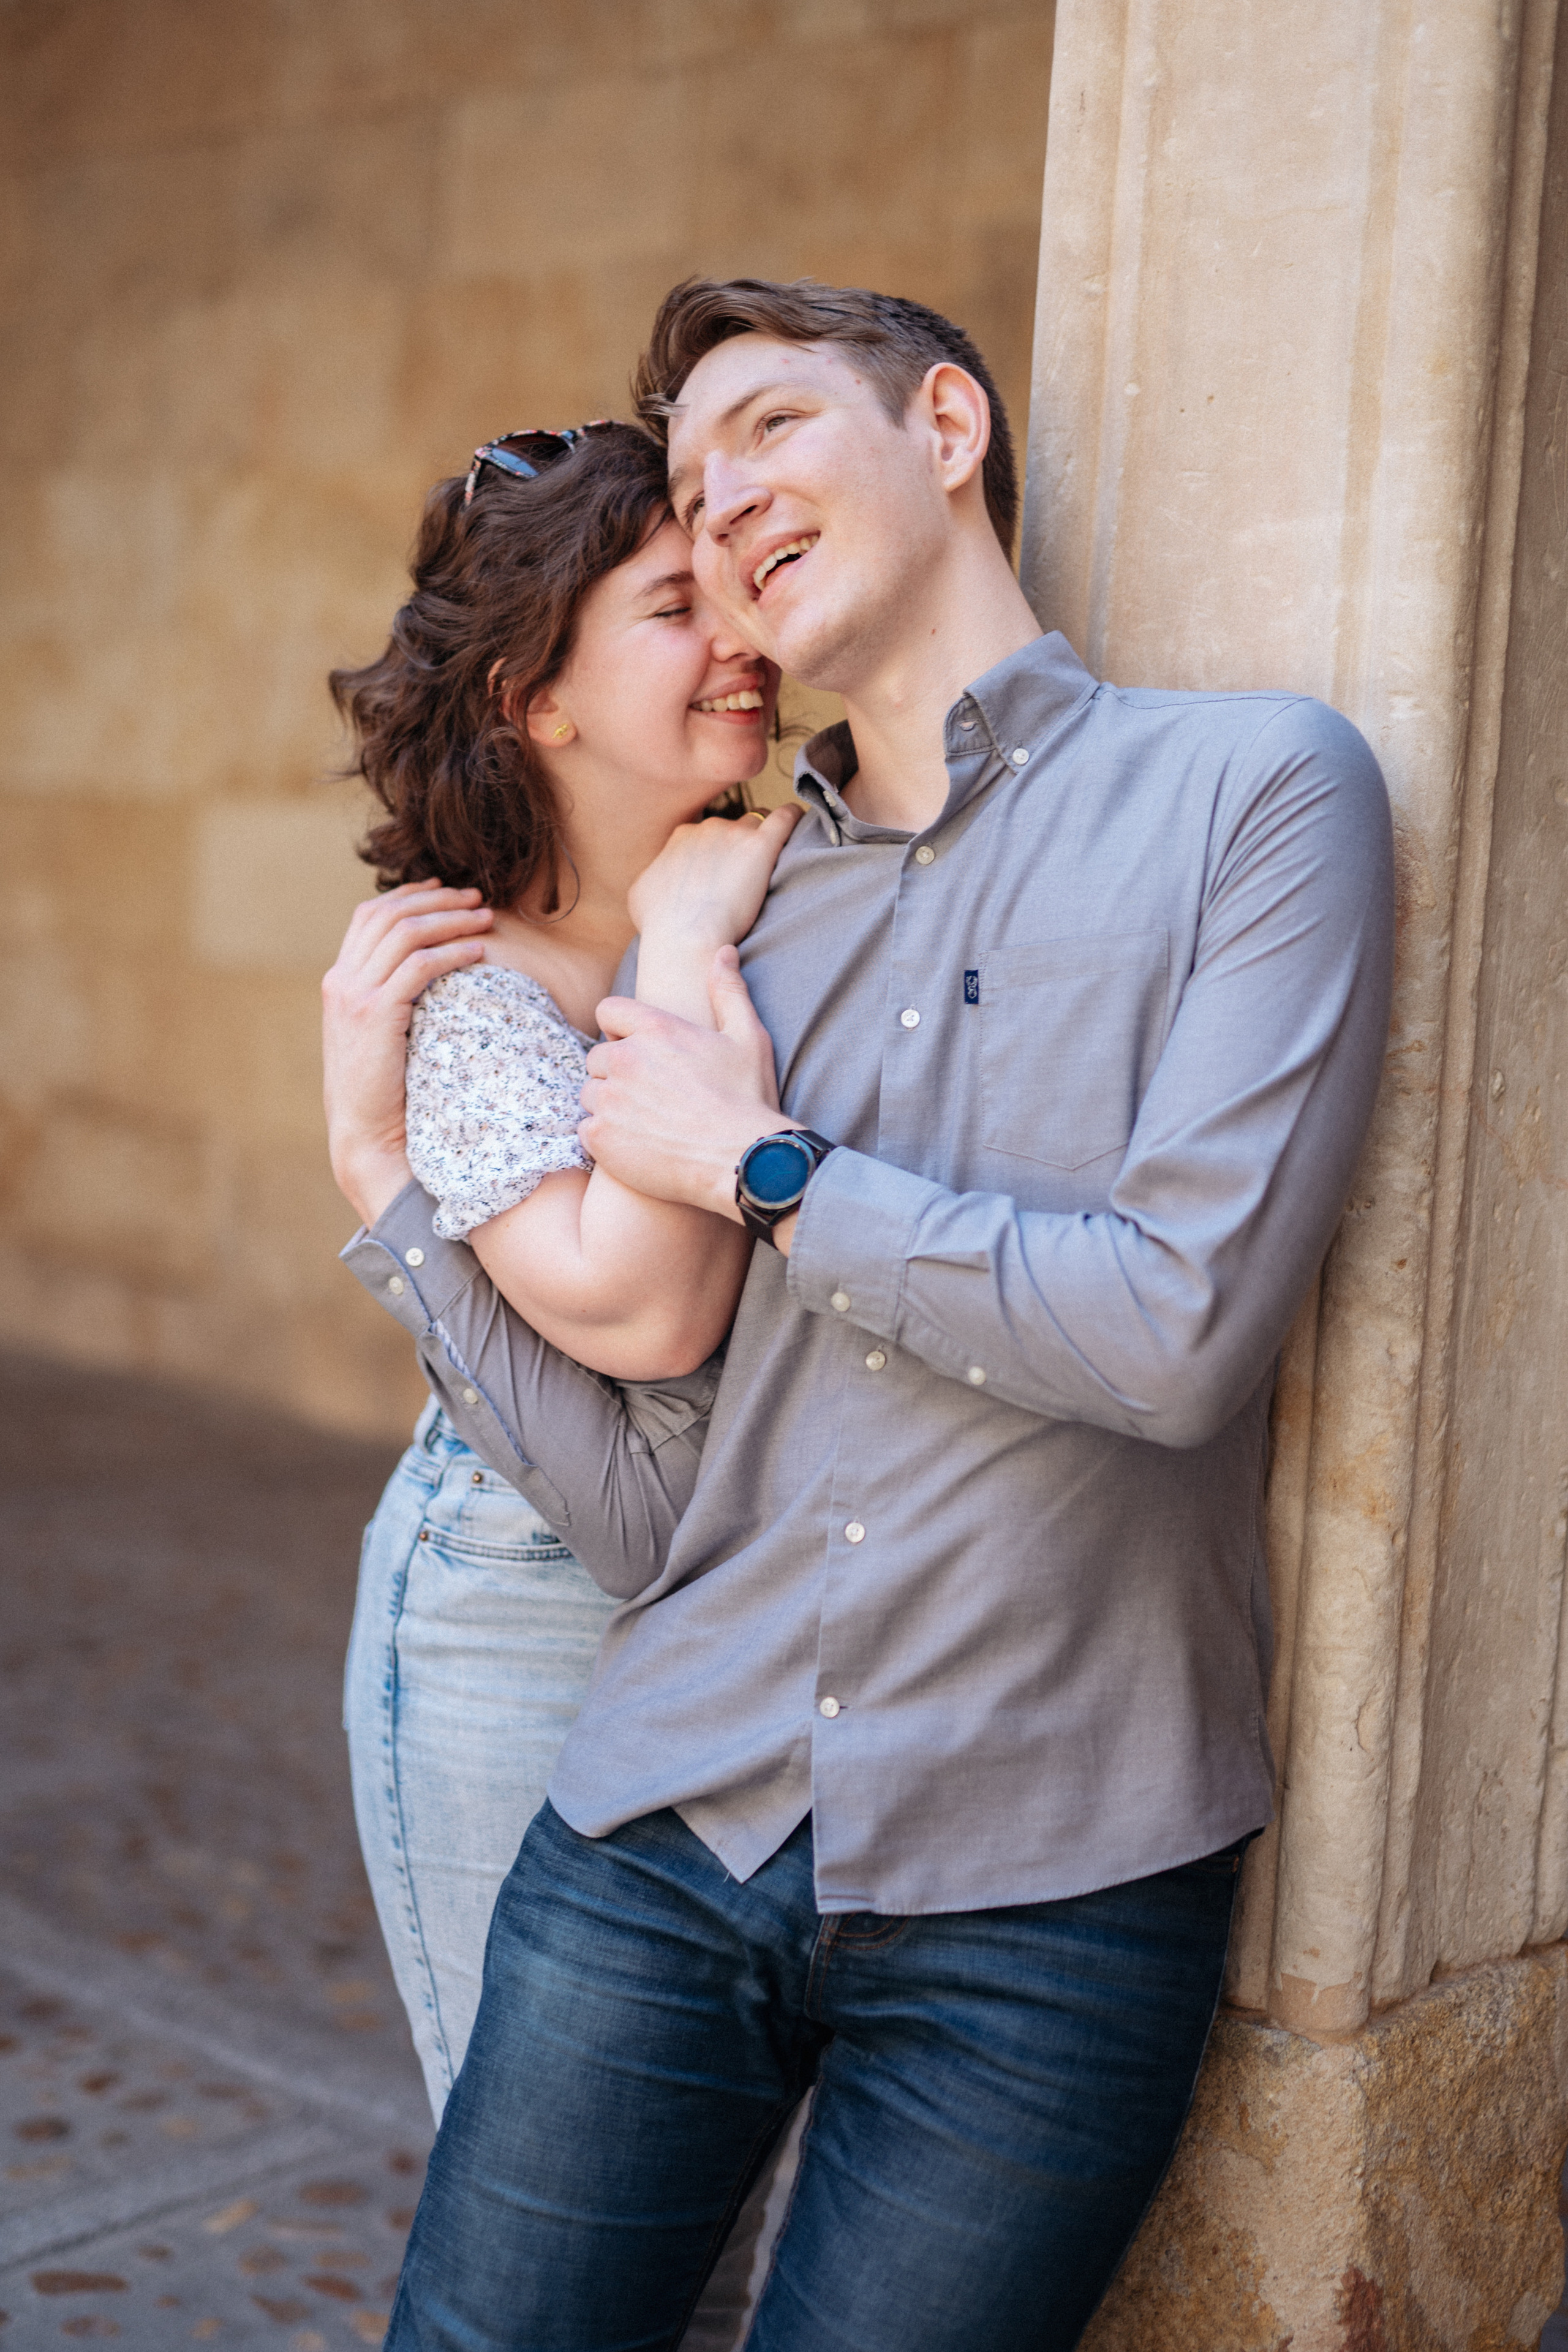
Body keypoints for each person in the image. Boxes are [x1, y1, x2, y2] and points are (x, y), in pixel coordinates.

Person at [326, 277, 1395, 2351]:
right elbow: (649, 1516)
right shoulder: (717, 909)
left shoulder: (1255, 795)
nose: (721, 505)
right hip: (658, 1827)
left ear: (949, 429)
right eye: (692, 493)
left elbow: (1182, 1337)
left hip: (1056, 1897)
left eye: (766, 434)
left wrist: (777, 1175)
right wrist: (390, 1200)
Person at [324, 418, 800, 2340]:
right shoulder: (469, 984)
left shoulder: (788, 866)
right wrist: (682, 947)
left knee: (724, 2236)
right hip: (511, 1623)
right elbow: (650, 1302)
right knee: (568, 2253)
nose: (745, 637)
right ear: (537, 698)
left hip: (738, 1616)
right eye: (678, 606)